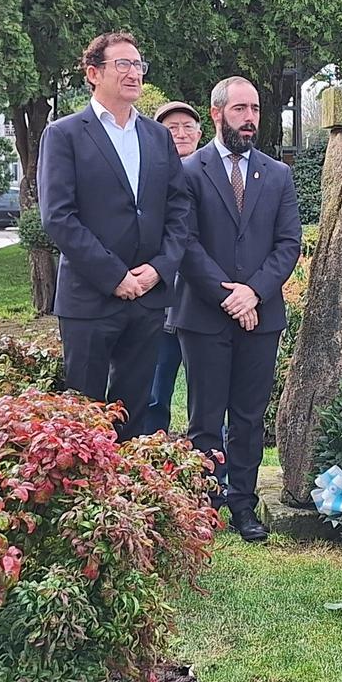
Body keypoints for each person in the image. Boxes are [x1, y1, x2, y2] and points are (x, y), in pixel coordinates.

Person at [38, 32, 190, 442]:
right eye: (122, 64)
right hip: (90, 298)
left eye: (139, 65)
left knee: (133, 414)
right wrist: (114, 276)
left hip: (148, 298)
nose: (134, 72)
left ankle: (127, 500)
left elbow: (179, 211)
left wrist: (158, 271)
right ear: (93, 73)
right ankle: (88, 497)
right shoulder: (64, 134)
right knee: (83, 419)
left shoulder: (158, 137)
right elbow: (58, 217)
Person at [175, 76, 301, 542]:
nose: (249, 119)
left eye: (255, 110)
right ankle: (206, 506)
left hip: (261, 317)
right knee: (205, 417)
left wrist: (254, 293)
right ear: (216, 113)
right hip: (204, 316)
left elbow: (288, 245)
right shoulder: (189, 172)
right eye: (240, 110)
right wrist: (230, 296)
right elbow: (184, 243)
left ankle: (243, 505)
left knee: (249, 417)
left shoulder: (278, 174)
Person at [140, 100, 205, 435]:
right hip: (160, 304)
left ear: (199, 132)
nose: (180, 134)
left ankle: (207, 473)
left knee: (207, 398)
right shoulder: (148, 174)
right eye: (171, 128)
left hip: (203, 306)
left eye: (187, 126)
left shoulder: (214, 174)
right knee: (154, 394)